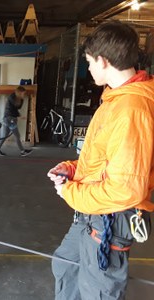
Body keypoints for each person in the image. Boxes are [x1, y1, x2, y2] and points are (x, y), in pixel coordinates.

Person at [47, 21, 154, 300]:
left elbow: (126, 190)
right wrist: (72, 170)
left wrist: (70, 190)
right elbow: (108, 158)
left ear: (103, 61)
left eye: (88, 62)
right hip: (92, 208)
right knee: (66, 265)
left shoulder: (132, 109)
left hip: (110, 216)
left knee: (97, 290)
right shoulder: (116, 99)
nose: (89, 68)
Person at [0, 86, 33, 157]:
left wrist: (22, 100)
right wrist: (20, 116)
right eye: (23, 93)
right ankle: (22, 151)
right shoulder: (12, 98)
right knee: (17, 135)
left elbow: (18, 108)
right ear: (19, 93)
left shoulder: (18, 99)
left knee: (5, 135)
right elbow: (13, 110)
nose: (24, 95)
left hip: (8, 119)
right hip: (10, 119)